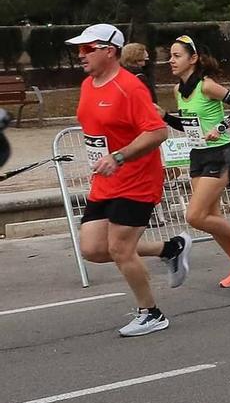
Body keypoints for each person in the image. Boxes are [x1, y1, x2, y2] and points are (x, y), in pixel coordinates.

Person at [69, 24, 190, 336]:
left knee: (120, 249)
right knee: (94, 249)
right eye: (79, 49)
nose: (80, 55)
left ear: (109, 51)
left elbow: (158, 131)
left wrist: (119, 157)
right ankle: (170, 248)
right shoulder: (87, 85)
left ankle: (151, 313)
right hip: (106, 180)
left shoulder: (130, 87)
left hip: (137, 178)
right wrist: (98, 159)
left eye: (87, 49)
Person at [162, 34, 230, 286]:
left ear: (193, 58)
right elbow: (188, 126)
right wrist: (163, 116)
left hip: (219, 153)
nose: (170, 61)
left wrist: (221, 125)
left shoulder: (206, 85)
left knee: (194, 216)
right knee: (211, 217)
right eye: (170, 56)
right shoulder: (178, 90)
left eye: (176, 56)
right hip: (197, 154)